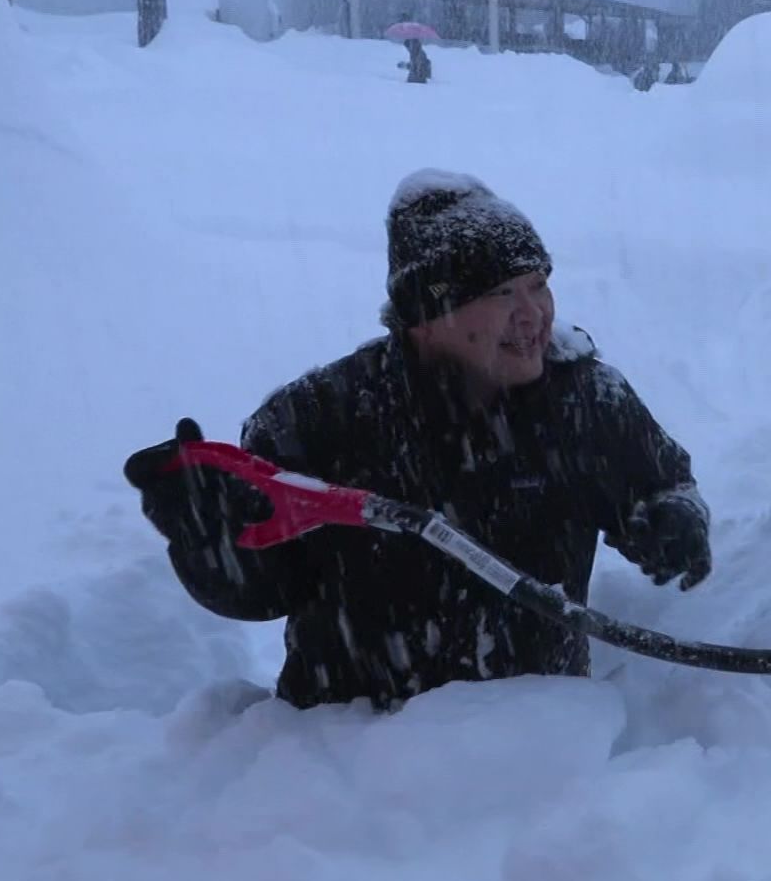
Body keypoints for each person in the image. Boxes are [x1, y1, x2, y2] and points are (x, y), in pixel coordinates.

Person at [124, 170, 712, 710]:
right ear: (426, 316)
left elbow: (663, 482)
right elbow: (261, 589)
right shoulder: (318, 419)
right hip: (355, 763)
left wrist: (673, 519)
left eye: (538, 284)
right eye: (502, 294)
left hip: (537, 754)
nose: (533, 314)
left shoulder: (585, 400)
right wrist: (206, 538)